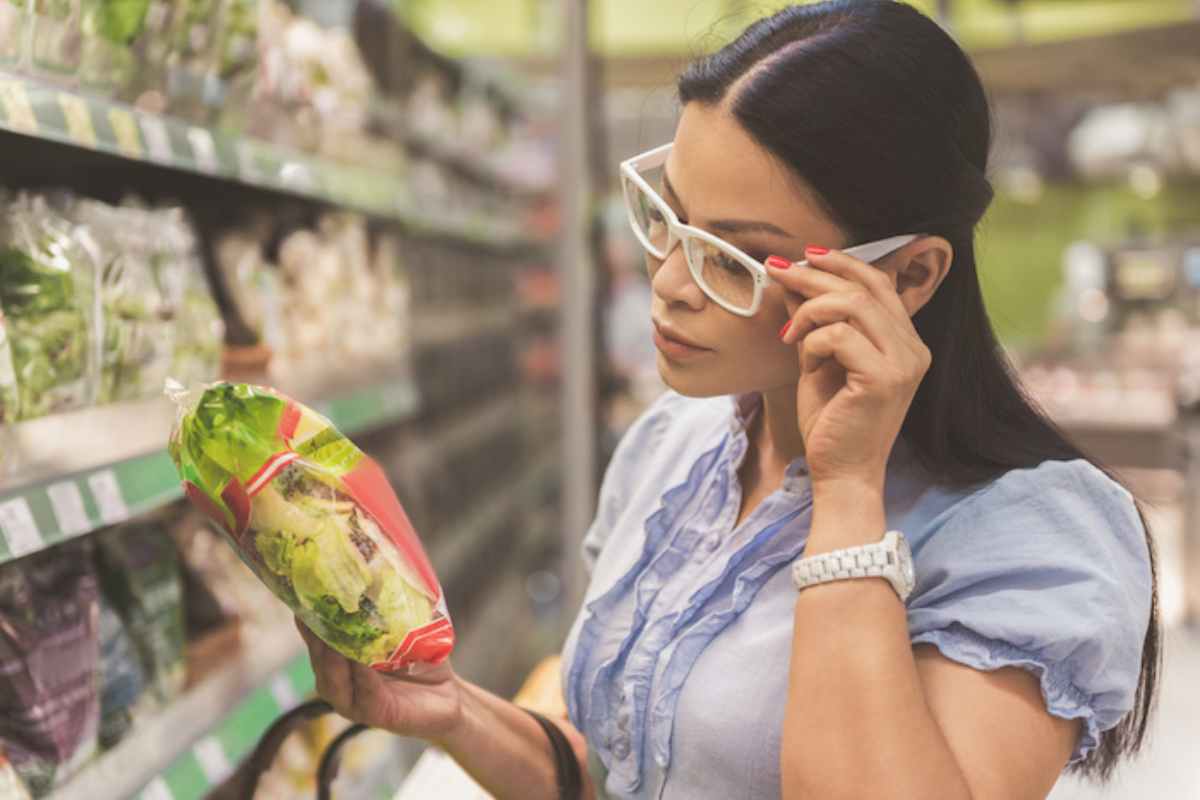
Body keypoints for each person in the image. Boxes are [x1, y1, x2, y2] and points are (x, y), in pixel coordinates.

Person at [296, 2, 1161, 798]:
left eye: (732, 259)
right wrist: (453, 712)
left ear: (909, 275)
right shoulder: (674, 448)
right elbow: (619, 772)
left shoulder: (1032, 536)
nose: (669, 285)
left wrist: (849, 490)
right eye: (666, 221)